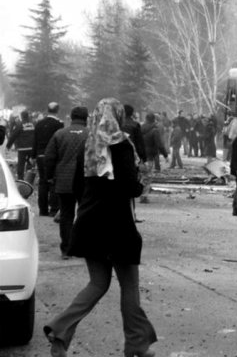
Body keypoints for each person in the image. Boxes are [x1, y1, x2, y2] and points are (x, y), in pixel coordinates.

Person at [44, 98, 156, 357]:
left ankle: (59, 333)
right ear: (117, 116)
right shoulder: (122, 145)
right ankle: (136, 344)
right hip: (117, 227)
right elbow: (129, 186)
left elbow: (77, 187)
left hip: (89, 225)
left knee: (97, 284)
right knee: (129, 286)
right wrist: (142, 185)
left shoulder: (89, 144)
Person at [44, 107, 89, 260]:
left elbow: (49, 157)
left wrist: (49, 177)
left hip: (64, 180)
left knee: (66, 214)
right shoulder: (91, 135)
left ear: (71, 117)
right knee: (85, 214)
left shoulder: (59, 134)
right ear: (86, 118)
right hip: (86, 181)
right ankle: (83, 247)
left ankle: (66, 249)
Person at [34, 102, 65, 217]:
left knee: (42, 181)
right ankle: (53, 209)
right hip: (53, 156)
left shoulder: (39, 124)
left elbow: (35, 140)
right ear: (58, 110)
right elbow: (60, 142)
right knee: (53, 181)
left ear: (47, 110)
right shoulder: (59, 124)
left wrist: (33, 156)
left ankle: (42, 209)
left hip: (40, 155)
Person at [140, 113, 168, 204]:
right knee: (147, 176)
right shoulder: (155, 130)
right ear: (154, 120)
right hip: (149, 156)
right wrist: (165, 155)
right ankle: (143, 196)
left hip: (139, 155)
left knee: (140, 174)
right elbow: (159, 144)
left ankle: (137, 193)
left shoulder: (139, 128)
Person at [6, 110, 35, 181]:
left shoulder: (20, 124)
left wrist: (8, 146)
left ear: (21, 116)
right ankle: (30, 178)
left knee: (21, 164)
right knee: (30, 163)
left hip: (22, 148)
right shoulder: (33, 124)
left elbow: (13, 135)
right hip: (32, 148)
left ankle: (20, 179)